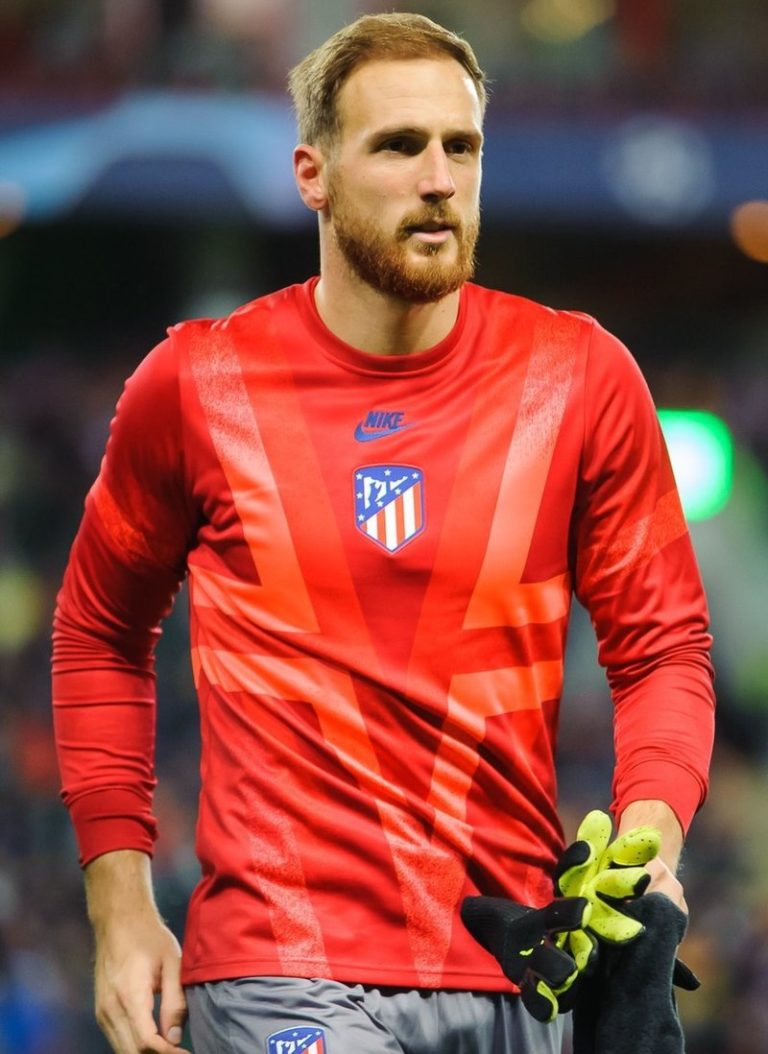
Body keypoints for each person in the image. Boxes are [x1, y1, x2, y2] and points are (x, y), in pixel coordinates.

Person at [51, 11, 715, 1054]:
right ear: (312, 175)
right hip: (279, 967)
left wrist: (649, 839)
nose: (440, 179)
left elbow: (664, 647)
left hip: (517, 965)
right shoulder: (193, 384)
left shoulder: (582, 377)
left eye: (462, 146)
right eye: (400, 146)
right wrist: (120, 905)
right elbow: (98, 633)